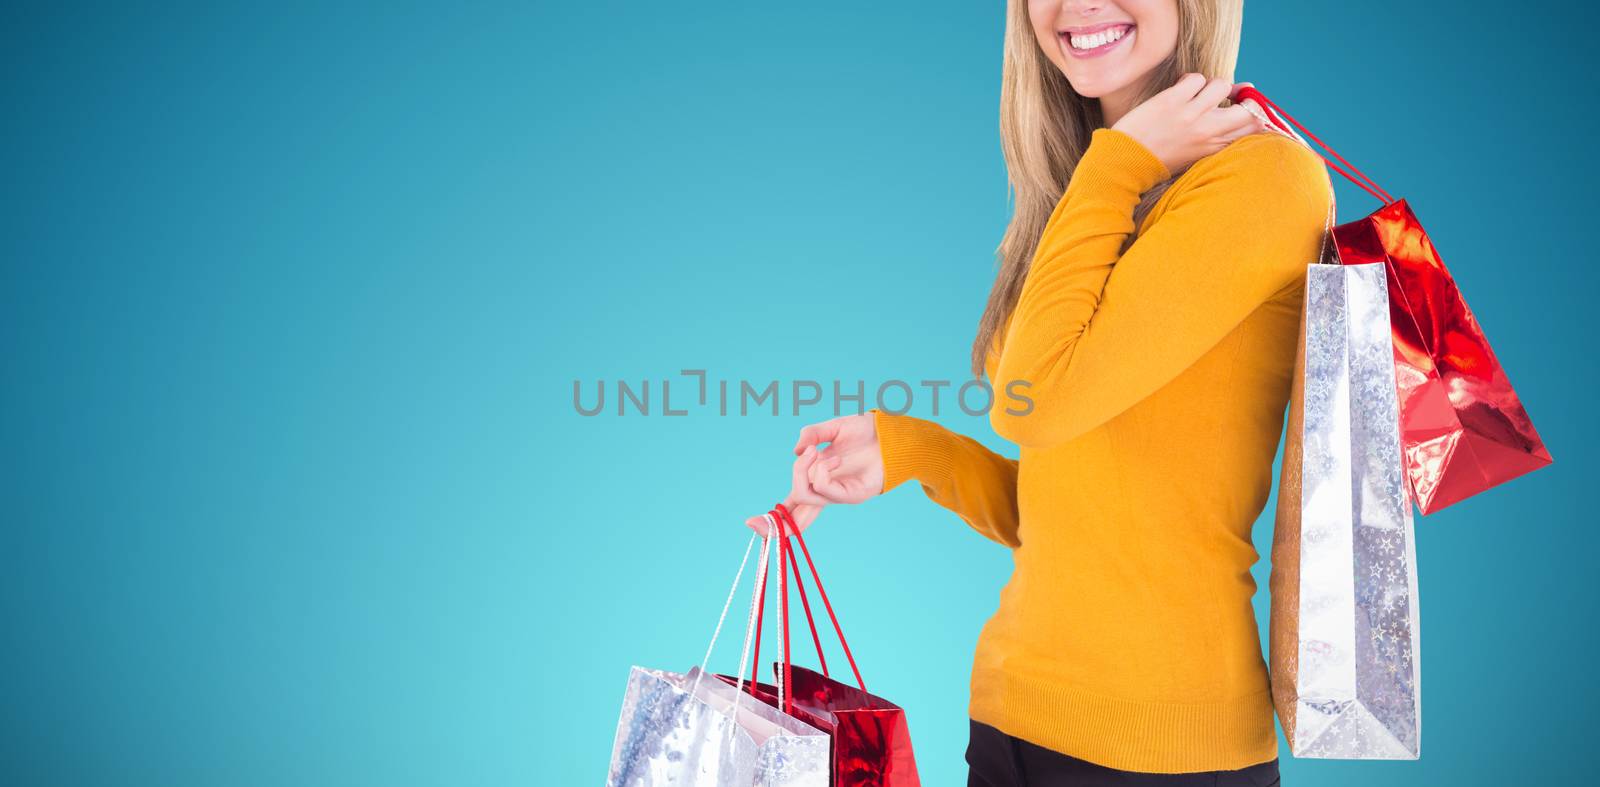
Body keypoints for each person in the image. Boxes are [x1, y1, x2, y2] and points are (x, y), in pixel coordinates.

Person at [748, 1, 1329, 784]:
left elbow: (1037, 400)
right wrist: (914, 450)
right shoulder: (1088, 192)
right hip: (1007, 726)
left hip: (1161, 751)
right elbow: (1075, 509)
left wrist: (1118, 160)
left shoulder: (1262, 177)